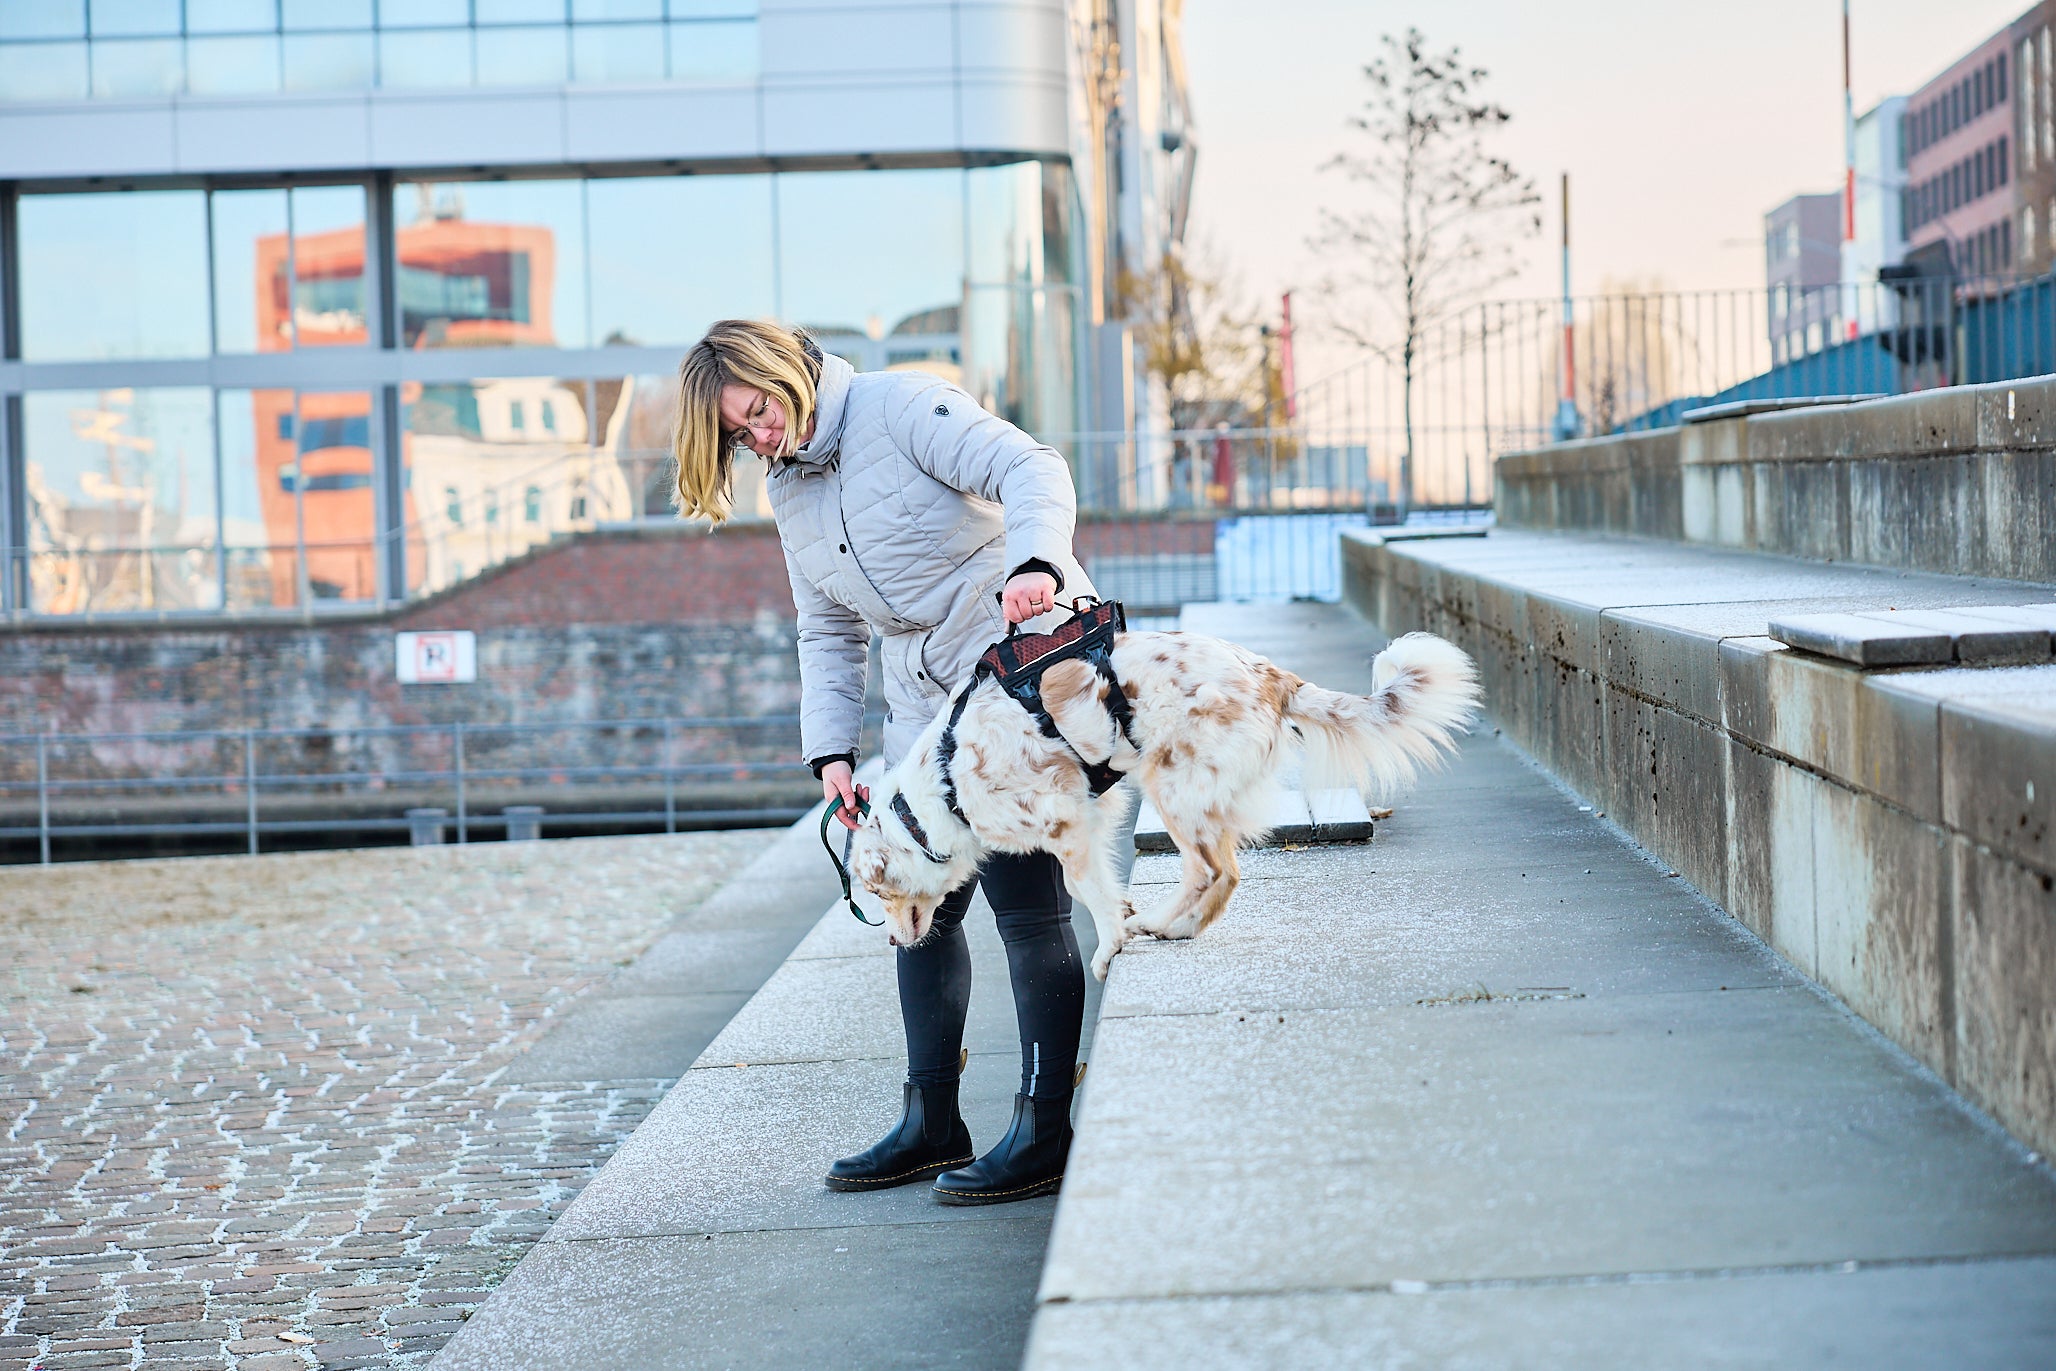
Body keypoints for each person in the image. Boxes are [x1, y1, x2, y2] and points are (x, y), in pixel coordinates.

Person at [672, 319, 1093, 1205]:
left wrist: (1035, 560)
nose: (759, 437)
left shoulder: (901, 406)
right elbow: (825, 625)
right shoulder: (789, 489)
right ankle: (933, 1121)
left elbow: (1033, 469)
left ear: (785, 369)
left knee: (1026, 908)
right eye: (737, 434)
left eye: (758, 412)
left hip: (1012, 682)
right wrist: (830, 748)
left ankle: (1046, 1125)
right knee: (918, 908)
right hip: (919, 721)